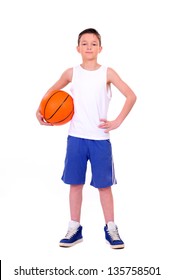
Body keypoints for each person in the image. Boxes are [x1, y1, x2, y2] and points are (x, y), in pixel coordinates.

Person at [36, 28, 137, 249]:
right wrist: (41, 109)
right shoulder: (71, 73)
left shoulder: (108, 73)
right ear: (77, 48)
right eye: (84, 43)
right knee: (75, 184)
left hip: (100, 139)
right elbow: (50, 93)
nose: (89, 46)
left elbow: (131, 95)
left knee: (104, 186)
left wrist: (118, 120)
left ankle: (111, 227)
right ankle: (74, 228)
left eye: (93, 43)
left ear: (100, 48)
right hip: (76, 138)